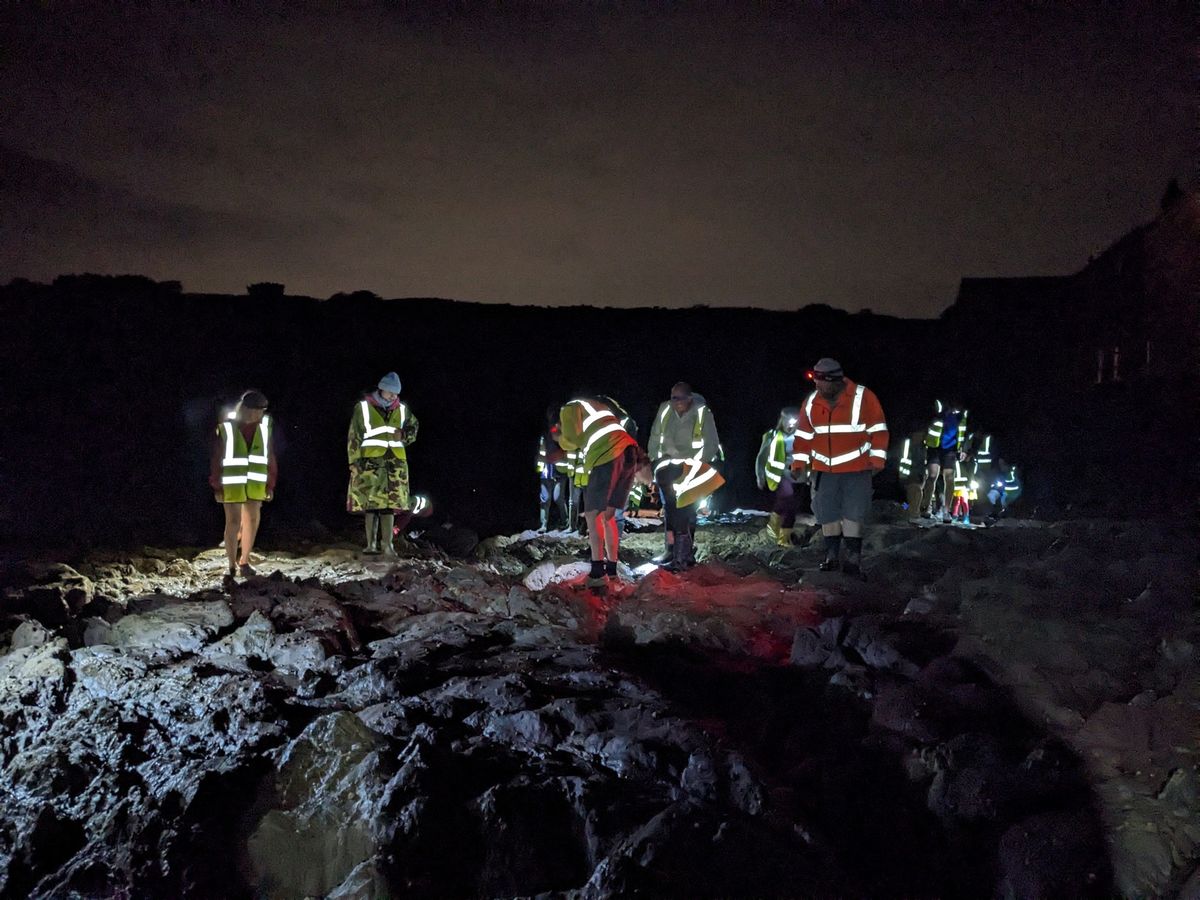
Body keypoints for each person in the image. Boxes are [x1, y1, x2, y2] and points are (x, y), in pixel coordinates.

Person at [793, 359, 888, 575]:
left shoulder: (863, 397)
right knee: (827, 513)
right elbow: (803, 436)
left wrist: (877, 460)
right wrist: (799, 462)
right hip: (824, 471)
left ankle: (853, 560)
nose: (817, 388)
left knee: (854, 513)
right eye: (815, 383)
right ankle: (832, 558)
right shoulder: (811, 402)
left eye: (821, 383)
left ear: (834, 381)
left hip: (857, 468)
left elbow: (879, 430)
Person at [554, 396, 642, 587]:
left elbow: (572, 439)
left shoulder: (569, 408)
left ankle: (596, 573)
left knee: (593, 515)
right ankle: (611, 570)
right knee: (609, 516)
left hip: (608, 454)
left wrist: (559, 437)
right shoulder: (597, 407)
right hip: (629, 451)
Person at [647, 382, 722, 564]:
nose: (676, 402)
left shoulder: (702, 413)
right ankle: (670, 550)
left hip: (691, 470)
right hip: (667, 469)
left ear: (689, 398)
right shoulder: (665, 410)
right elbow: (655, 439)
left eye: (680, 398)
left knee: (687, 513)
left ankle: (684, 556)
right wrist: (656, 462)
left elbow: (712, 444)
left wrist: (695, 466)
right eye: (673, 398)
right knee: (671, 513)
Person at [347, 372, 419, 557]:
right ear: (382, 389)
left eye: (396, 393)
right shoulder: (363, 408)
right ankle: (370, 545)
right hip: (371, 463)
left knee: (390, 505)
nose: (394, 396)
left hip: (395, 465)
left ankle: (387, 545)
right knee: (371, 504)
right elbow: (354, 436)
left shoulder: (402, 409)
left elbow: (414, 428)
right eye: (390, 392)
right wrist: (353, 461)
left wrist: (404, 435)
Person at [210, 389, 276, 579]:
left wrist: (270, 484)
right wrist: (216, 484)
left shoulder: (265, 427)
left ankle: (244, 561)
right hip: (231, 483)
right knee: (233, 522)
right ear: (246, 409)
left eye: (262, 410)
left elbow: (270, 455)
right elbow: (216, 457)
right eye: (257, 410)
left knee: (252, 521)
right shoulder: (226, 428)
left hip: (256, 482)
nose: (260, 414)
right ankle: (231, 564)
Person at [654, 457, 725, 569]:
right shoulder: (663, 469)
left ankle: (680, 561)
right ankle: (686, 557)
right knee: (682, 518)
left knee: (681, 520)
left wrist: (673, 518)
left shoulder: (661, 472)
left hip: (702, 479)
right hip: (704, 477)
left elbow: (671, 505)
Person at [756, 406, 806, 547]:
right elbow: (761, 457)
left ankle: (784, 538)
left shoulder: (804, 436)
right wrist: (760, 476)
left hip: (799, 476)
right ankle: (773, 527)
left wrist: (811, 476)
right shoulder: (772, 435)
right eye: (788, 420)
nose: (791, 424)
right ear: (782, 420)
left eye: (795, 420)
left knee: (792, 508)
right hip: (780, 475)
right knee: (787, 498)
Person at [919, 399, 969, 522]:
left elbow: (963, 434)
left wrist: (963, 449)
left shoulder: (961, 416)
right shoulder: (938, 410)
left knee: (950, 478)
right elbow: (927, 427)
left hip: (950, 449)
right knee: (932, 476)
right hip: (934, 447)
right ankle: (926, 507)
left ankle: (946, 511)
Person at [536, 409, 572, 532]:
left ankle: (565, 522)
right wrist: (540, 467)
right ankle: (543, 525)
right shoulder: (546, 434)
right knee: (545, 499)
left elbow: (568, 452)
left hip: (561, 471)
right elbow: (541, 452)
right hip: (547, 471)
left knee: (558, 498)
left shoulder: (565, 435)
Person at [898, 428, 928, 519]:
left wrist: (924, 473)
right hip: (909, 474)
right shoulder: (907, 444)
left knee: (917, 493)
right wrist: (903, 477)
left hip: (918, 474)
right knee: (911, 495)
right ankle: (911, 512)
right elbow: (904, 460)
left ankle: (914, 512)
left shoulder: (923, 446)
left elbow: (923, 461)